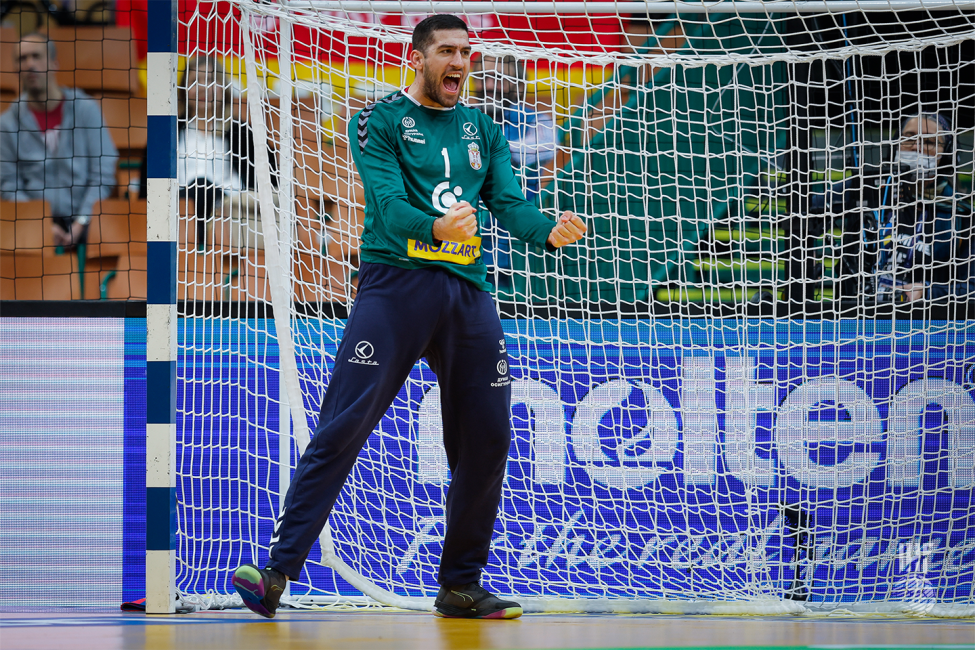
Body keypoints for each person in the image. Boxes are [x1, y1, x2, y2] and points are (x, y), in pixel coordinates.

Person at [231, 14, 586, 620]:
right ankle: (277, 572)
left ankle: (461, 586)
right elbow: (390, 208)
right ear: (418, 57)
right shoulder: (378, 120)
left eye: (466, 53)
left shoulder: (483, 128)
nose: (459, 63)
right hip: (396, 288)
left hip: (468, 293)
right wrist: (435, 228)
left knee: (488, 436)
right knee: (344, 425)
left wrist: (547, 231)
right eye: (446, 51)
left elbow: (508, 204)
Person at [811, 112, 973, 304]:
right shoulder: (867, 188)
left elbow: (970, 288)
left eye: (929, 142)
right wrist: (807, 254)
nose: (917, 147)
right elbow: (806, 210)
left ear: (947, 155)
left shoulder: (961, 213)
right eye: (909, 138)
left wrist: (927, 291)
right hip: (852, 317)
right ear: (896, 145)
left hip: (923, 324)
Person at [0, 33, 118, 248]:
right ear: (15, 69)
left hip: (88, 218)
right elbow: (9, 185)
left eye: (36, 56)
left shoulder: (86, 109)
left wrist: (81, 222)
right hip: (31, 223)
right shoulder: (7, 124)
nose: (30, 64)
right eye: (22, 59)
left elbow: (103, 172)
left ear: (54, 63)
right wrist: (41, 224)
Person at [470, 53, 557, 290]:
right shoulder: (464, 115)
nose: (489, 85)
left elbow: (546, 147)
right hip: (464, 238)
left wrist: (492, 148)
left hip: (516, 243)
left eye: (498, 78)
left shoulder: (534, 119)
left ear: (518, 84)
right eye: (483, 77)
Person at [177, 55, 277, 248]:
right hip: (179, 214)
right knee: (199, 187)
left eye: (211, 80)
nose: (204, 87)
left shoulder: (243, 132)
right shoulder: (169, 131)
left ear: (224, 88)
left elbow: (270, 180)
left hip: (230, 214)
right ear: (183, 88)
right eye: (195, 81)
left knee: (203, 187)